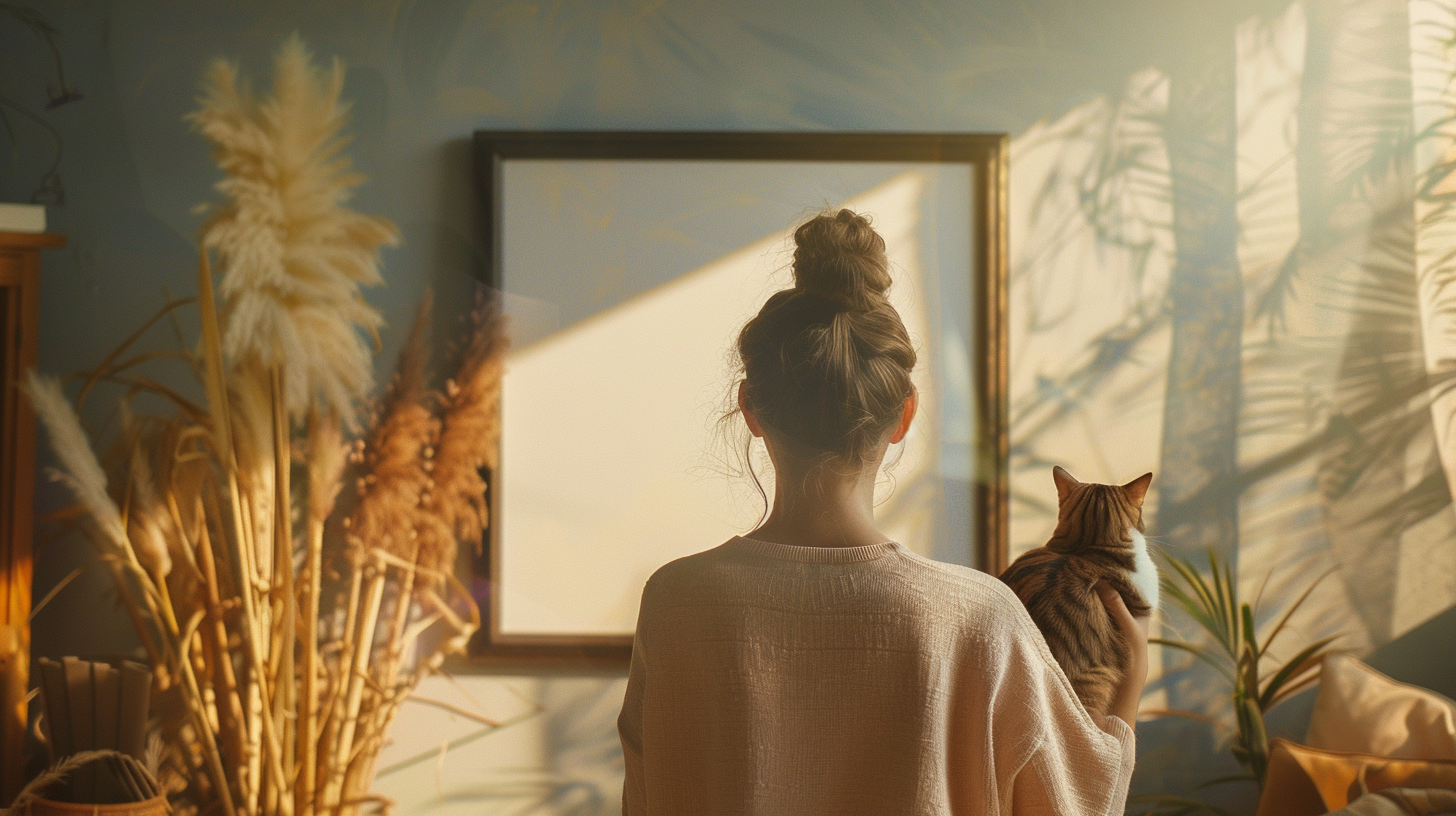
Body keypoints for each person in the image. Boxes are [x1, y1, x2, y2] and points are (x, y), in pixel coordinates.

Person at [617, 208, 1148, 815]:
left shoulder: (676, 601)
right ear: (905, 415)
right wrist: (1128, 688)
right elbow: (1070, 804)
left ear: (750, 407)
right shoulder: (979, 618)